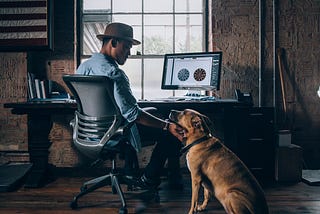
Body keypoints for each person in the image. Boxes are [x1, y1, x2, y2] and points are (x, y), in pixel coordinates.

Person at [76, 22, 183, 189]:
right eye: (126, 47)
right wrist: (167, 126)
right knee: (170, 130)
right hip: (113, 133)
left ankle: (130, 171)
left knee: (154, 112)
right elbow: (133, 114)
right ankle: (149, 179)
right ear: (113, 43)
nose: (129, 53)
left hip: (89, 133)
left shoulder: (83, 68)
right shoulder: (115, 73)